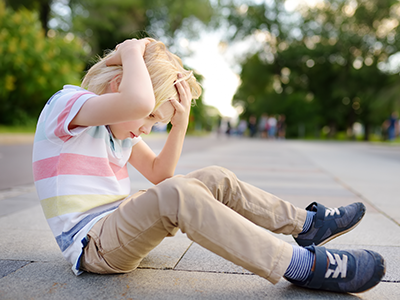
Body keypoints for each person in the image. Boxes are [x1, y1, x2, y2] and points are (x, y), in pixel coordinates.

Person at [32, 38, 385, 294]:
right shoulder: (68, 105)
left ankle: (307, 224)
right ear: (119, 85)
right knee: (178, 194)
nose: (146, 128)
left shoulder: (116, 131)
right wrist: (130, 50)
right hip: (94, 245)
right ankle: (300, 265)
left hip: (118, 226)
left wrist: (180, 123)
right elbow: (137, 103)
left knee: (214, 178)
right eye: (152, 117)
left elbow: (160, 173)